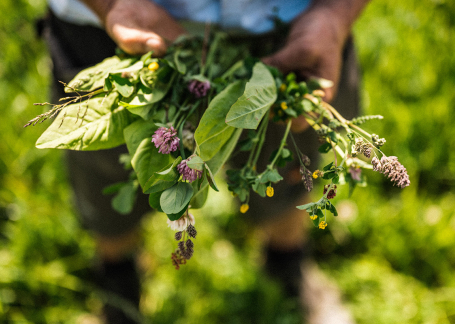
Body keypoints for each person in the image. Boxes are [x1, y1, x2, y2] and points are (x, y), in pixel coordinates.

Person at [42, 0, 369, 323]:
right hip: (119, 25)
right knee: (105, 177)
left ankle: (286, 262)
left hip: (289, 29)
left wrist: (335, 13)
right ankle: (117, 277)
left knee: (288, 168)